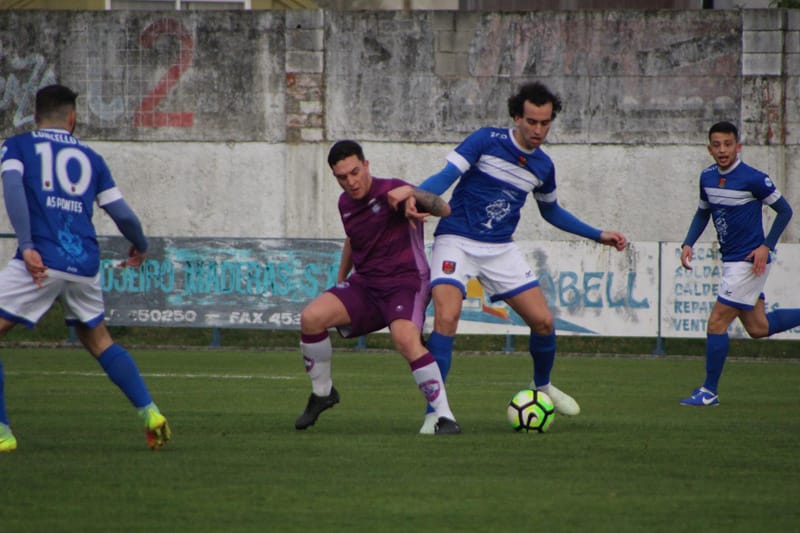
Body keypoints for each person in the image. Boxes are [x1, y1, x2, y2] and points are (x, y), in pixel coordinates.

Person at [399, 81, 627, 434]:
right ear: (517, 117)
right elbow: (447, 176)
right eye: (532, 121)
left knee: (544, 322)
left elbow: (551, 212)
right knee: (446, 317)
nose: (538, 130)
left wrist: (598, 234)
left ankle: (542, 387)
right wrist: (416, 197)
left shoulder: (543, 166)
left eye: (545, 123)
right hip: (456, 239)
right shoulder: (486, 140)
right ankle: (436, 413)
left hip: (500, 248)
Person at [0, 84, 171, 451]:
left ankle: (2, 432)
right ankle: (151, 413)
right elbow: (122, 214)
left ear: (35, 115)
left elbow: (12, 189)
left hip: (41, 260)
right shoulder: (92, 158)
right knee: (98, 339)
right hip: (83, 263)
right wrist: (141, 245)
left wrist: (27, 245)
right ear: (72, 118)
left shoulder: (18, 146)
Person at [295, 140, 461, 434]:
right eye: (342, 177)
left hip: (405, 283)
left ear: (366, 165)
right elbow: (353, 239)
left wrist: (412, 192)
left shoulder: (393, 190)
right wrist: (341, 277)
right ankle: (323, 393)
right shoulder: (345, 203)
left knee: (405, 339)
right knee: (311, 318)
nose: (351, 181)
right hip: (366, 285)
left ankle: (444, 416)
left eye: (355, 172)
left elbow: (444, 209)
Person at [679, 121, 800, 406]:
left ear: (738, 146)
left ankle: (709, 391)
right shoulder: (707, 177)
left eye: (728, 144)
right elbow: (703, 212)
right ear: (709, 149)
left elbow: (784, 211)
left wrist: (766, 246)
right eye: (717, 145)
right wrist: (688, 242)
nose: (722, 150)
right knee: (758, 327)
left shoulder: (754, 179)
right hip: (731, 261)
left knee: (716, 322)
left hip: (748, 262)